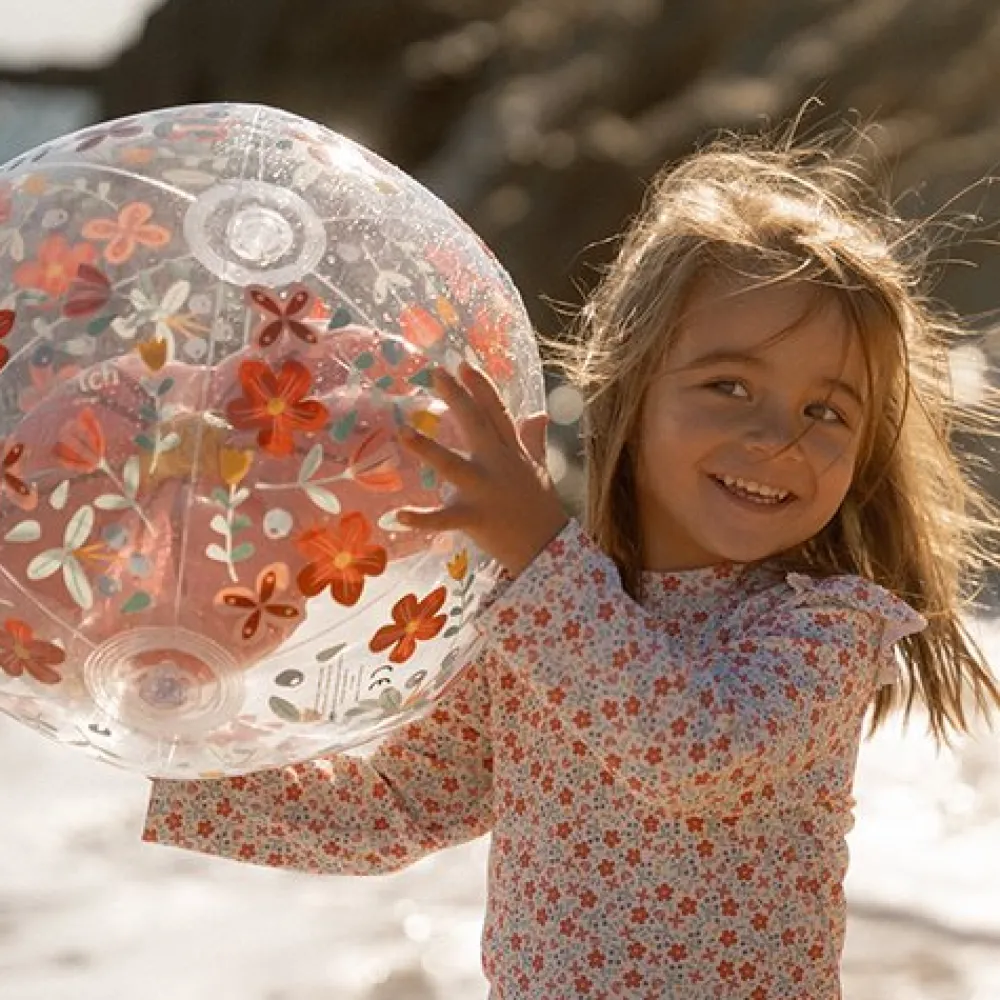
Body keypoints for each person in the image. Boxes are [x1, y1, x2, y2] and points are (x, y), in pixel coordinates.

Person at [143, 127, 1000, 999]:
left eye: (826, 411)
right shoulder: (545, 616)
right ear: (629, 386)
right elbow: (395, 807)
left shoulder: (826, 628)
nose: (777, 437)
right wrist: (173, 756)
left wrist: (538, 555)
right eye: (730, 387)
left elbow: (692, 753)